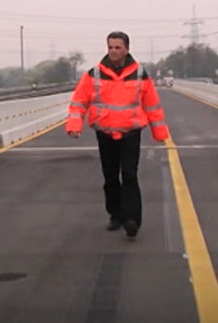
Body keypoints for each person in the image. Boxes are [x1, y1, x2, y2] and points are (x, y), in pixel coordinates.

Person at [66, 31, 169, 239]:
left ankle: (132, 220)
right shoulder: (94, 74)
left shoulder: (140, 74)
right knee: (110, 177)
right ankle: (115, 214)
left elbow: (152, 104)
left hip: (130, 132)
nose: (113, 51)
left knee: (130, 175)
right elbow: (79, 101)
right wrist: (74, 124)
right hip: (104, 133)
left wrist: (160, 132)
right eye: (110, 47)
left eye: (117, 47)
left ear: (127, 49)